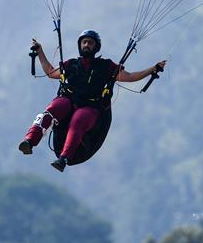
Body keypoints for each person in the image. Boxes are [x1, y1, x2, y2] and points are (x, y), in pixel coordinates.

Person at [19, 29, 166, 172]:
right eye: (84, 42)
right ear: (80, 45)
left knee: (79, 119)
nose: (86, 45)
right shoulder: (71, 65)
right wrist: (40, 51)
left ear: (96, 47)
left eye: (90, 43)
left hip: (92, 107)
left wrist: (152, 69)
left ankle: (63, 159)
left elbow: (130, 76)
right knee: (53, 108)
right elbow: (50, 72)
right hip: (68, 100)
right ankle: (29, 141)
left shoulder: (106, 66)